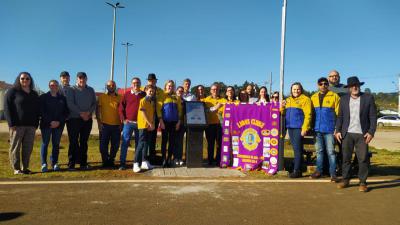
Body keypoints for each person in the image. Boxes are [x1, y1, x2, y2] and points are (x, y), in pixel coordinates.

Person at [335, 76, 377, 192]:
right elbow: (340, 117)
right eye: (352, 86)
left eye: (356, 85)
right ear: (348, 88)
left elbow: (373, 117)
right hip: (347, 133)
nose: (355, 87)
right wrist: (338, 130)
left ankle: (362, 182)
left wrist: (371, 132)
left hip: (362, 134)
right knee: (345, 158)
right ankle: (345, 179)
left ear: (359, 86)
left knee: (362, 159)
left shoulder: (368, 98)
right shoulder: (343, 99)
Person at [4, 72, 40, 175]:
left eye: (27, 78)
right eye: (22, 78)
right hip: (17, 126)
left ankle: (25, 168)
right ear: (19, 79)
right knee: (15, 147)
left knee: (27, 148)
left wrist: (36, 123)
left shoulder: (34, 93)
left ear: (30, 80)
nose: (25, 80)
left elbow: (37, 110)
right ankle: (16, 168)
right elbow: (7, 108)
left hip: (31, 126)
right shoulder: (12, 91)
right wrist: (11, 123)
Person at [310, 77, 340, 182]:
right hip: (317, 130)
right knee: (319, 151)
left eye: (325, 84)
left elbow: (339, 114)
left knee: (331, 152)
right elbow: (310, 114)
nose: (323, 85)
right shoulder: (313, 97)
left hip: (330, 130)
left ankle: (333, 174)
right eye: (321, 84)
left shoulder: (334, 96)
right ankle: (319, 171)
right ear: (318, 85)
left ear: (328, 85)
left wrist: (337, 128)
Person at [65, 72, 96, 170]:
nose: (82, 80)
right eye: (80, 78)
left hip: (87, 120)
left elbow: (94, 104)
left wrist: (88, 113)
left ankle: (83, 163)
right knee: (73, 142)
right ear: (77, 79)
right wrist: (81, 113)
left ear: (86, 79)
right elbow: (70, 103)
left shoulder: (91, 90)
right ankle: (71, 163)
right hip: (74, 119)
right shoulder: (71, 89)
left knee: (84, 142)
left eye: (83, 78)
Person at [281, 82, 312, 178]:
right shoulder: (288, 100)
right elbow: (282, 113)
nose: (296, 91)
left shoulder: (305, 99)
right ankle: (296, 166)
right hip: (290, 127)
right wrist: (282, 106)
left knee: (297, 149)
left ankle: (297, 171)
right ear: (291, 90)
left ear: (301, 89)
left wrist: (304, 128)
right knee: (295, 148)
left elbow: (308, 115)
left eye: (298, 89)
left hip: (299, 128)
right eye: (294, 89)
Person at [39, 80, 69, 172]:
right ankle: (44, 163)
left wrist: (59, 122)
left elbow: (66, 112)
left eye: (56, 85)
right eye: (52, 85)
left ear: (58, 87)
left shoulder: (62, 98)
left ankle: (55, 162)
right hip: (46, 125)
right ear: (49, 86)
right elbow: (41, 111)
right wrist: (50, 122)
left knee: (56, 144)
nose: (54, 87)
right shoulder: (43, 97)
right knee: (45, 144)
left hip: (58, 125)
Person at [118, 77, 145, 170]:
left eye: (137, 83)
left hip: (140, 124)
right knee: (125, 143)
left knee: (139, 144)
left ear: (140, 84)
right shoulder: (126, 94)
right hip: (128, 123)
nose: (136, 84)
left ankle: (137, 163)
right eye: (134, 83)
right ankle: (122, 163)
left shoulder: (144, 95)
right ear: (131, 84)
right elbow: (121, 108)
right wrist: (123, 119)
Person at [157, 80, 182, 167]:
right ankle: (163, 159)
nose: (170, 87)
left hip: (174, 123)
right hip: (165, 122)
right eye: (169, 86)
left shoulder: (177, 97)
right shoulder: (162, 96)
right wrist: (161, 121)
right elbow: (158, 110)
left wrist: (179, 122)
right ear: (166, 86)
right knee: (164, 141)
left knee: (172, 142)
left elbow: (180, 111)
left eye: (172, 86)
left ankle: (169, 159)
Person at [97, 80, 121, 168]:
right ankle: (105, 161)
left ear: (115, 86)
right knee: (103, 146)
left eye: (113, 85)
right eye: (109, 85)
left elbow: (122, 111)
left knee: (115, 145)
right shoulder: (102, 97)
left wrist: (122, 123)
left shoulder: (120, 97)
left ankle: (111, 160)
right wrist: (99, 123)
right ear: (106, 87)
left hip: (117, 126)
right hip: (104, 125)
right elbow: (98, 111)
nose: (111, 87)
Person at [133, 85, 155, 173]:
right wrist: (149, 123)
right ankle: (135, 163)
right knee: (141, 144)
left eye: (153, 91)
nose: (151, 92)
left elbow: (152, 115)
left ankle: (144, 162)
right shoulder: (143, 100)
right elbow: (143, 114)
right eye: (150, 91)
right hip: (143, 126)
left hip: (149, 126)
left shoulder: (151, 102)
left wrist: (152, 124)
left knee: (146, 144)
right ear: (146, 91)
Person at [203, 83, 226, 166]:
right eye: (213, 89)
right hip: (209, 125)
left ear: (219, 90)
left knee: (219, 144)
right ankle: (210, 160)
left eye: (216, 89)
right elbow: (205, 111)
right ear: (210, 90)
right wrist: (216, 107)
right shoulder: (206, 100)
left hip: (220, 125)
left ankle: (218, 160)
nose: (215, 91)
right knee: (210, 143)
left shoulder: (224, 100)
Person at [146, 73, 164, 164]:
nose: (151, 82)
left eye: (153, 80)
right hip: (146, 117)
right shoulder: (143, 89)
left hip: (156, 116)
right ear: (148, 81)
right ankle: (144, 156)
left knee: (153, 136)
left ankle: (151, 155)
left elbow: (161, 103)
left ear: (156, 81)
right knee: (145, 137)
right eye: (150, 80)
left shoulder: (160, 90)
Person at [174, 86, 185, 166]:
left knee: (180, 142)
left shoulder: (184, 102)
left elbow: (183, 114)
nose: (180, 92)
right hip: (172, 123)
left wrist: (179, 122)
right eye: (179, 91)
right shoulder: (173, 100)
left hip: (181, 123)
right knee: (174, 141)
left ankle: (180, 157)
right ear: (176, 91)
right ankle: (175, 158)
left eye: (181, 91)